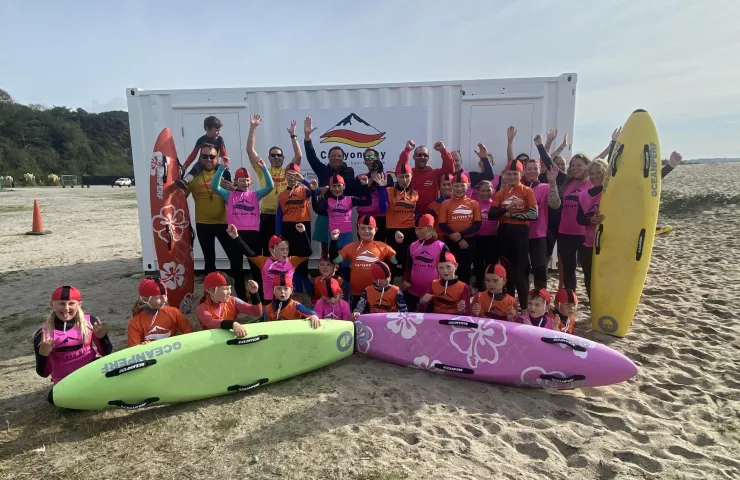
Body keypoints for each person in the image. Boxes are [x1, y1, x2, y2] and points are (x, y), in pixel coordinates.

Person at [211, 157, 274, 299]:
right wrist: (222, 167)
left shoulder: (255, 195)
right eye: (241, 180)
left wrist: (264, 168)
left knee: (256, 267)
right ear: (236, 181)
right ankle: (241, 298)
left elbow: (270, 187)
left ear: (250, 182)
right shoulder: (229, 195)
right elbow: (214, 186)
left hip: (253, 235)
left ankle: (258, 297)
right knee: (236, 268)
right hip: (235, 235)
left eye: (247, 180)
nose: (244, 183)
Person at [34, 286, 113, 391]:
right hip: (65, 381)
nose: (66, 308)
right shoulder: (44, 334)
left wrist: (102, 337)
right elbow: (43, 373)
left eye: (71, 303)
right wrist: (43, 354)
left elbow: (107, 353)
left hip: (92, 373)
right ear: (52, 304)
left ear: (79, 304)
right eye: (61, 303)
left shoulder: (90, 322)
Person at [246, 115, 302, 255]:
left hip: (284, 215)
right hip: (266, 215)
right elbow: (250, 150)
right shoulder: (263, 170)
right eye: (273, 155)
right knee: (266, 247)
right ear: (269, 157)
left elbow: (299, 156)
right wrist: (253, 128)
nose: (276, 157)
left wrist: (293, 135)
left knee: (285, 248)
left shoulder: (288, 170)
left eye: (279, 155)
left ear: (283, 158)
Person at [179, 143, 237, 276]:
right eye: (205, 156)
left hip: (224, 223)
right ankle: (211, 290)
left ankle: (235, 287)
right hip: (203, 224)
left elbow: (237, 199)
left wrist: (233, 190)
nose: (209, 159)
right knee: (209, 259)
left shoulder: (224, 174)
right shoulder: (193, 177)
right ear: (200, 158)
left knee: (234, 255)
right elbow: (181, 196)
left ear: (217, 158)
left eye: (212, 156)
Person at [488, 159, 538, 308]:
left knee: (519, 274)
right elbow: (492, 214)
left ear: (521, 174)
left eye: (514, 174)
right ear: (504, 175)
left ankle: (523, 309)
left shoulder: (527, 191)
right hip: (504, 235)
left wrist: (508, 214)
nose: (511, 177)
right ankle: (508, 307)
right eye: (508, 174)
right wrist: (506, 209)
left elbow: (534, 214)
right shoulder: (501, 193)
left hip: (520, 235)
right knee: (506, 273)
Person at [303, 117, 356, 254]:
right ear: (328, 157)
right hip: (325, 212)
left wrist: (325, 189)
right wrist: (307, 138)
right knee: (325, 246)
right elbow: (312, 157)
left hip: (342, 214)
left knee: (343, 247)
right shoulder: (322, 170)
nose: (336, 158)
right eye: (333, 156)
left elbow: (348, 187)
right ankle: (326, 270)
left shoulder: (349, 172)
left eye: (339, 156)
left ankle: (341, 271)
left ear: (343, 158)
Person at [311, 173, 372, 290]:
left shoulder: (350, 199)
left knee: (345, 264)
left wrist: (365, 186)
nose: (337, 189)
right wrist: (313, 192)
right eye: (334, 186)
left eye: (339, 186)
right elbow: (317, 209)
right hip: (333, 236)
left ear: (344, 186)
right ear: (330, 187)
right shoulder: (328, 201)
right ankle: (334, 288)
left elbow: (368, 202)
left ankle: (347, 288)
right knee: (334, 262)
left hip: (347, 236)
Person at [328, 215, 399, 306]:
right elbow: (335, 259)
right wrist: (334, 240)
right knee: (357, 318)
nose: (366, 231)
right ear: (358, 230)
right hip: (357, 293)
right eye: (363, 228)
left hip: (377, 293)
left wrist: (399, 243)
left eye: (370, 228)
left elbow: (396, 261)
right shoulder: (351, 246)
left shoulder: (382, 246)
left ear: (375, 230)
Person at [226, 227, 311, 303]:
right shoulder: (264, 262)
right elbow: (248, 252)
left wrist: (303, 233)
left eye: (287, 249)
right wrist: (236, 237)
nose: (285, 252)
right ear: (271, 250)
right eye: (282, 249)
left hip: (287, 299)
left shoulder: (292, 261)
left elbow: (308, 252)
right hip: (269, 301)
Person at [524, 135, 562, 290]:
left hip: (539, 235)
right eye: (529, 169)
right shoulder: (519, 188)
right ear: (524, 171)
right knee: (523, 268)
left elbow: (555, 204)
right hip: (521, 234)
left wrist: (552, 183)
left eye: (535, 169)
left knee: (540, 269)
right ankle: (525, 300)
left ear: (540, 171)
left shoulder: (545, 187)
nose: (532, 171)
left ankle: (541, 298)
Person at [276, 163, 313, 297]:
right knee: (290, 257)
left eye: (294, 174)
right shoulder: (281, 195)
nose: (292, 177)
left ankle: (307, 286)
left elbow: (318, 190)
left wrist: (303, 180)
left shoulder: (304, 190)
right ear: (285, 176)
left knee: (304, 255)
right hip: (288, 227)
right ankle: (296, 287)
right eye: (289, 174)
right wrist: (278, 235)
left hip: (303, 225)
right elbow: (279, 216)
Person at [438, 172, 481, 285]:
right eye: (456, 185)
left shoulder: (474, 203)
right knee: (450, 269)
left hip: (468, 242)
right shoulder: (445, 204)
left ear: (468, 185)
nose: (459, 188)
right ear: (452, 186)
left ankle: (464, 294)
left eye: (462, 185)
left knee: (465, 269)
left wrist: (461, 235)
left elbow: (477, 224)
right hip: (451, 241)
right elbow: (442, 224)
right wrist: (459, 238)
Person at [379, 160, 418, 280]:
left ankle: (407, 288)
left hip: (409, 231)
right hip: (393, 230)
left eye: (407, 176)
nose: (405, 180)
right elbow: (382, 208)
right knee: (393, 262)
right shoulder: (389, 191)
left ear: (411, 176)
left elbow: (415, 213)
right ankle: (390, 290)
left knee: (408, 262)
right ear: (396, 177)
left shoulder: (415, 193)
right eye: (401, 177)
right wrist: (381, 188)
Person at [127, 277, 193, 347]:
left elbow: (190, 335)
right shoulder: (135, 323)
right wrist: (141, 346)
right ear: (144, 298)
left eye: (165, 295)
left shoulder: (174, 312)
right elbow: (134, 350)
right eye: (158, 297)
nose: (164, 300)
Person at [396, 139, 455, 217]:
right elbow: (401, 168)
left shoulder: (434, 173)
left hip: (431, 215)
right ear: (413, 157)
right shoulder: (408, 175)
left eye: (425, 155)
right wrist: (407, 150)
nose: (422, 157)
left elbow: (450, 170)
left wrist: (443, 151)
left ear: (428, 158)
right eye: (419, 155)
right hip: (410, 216)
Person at [576, 158, 608, 298]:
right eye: (592, 173)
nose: (595, 176)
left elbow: (643, 190)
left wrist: (671, 166)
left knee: (606, 278)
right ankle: (594, 308)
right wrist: (590, 220)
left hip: (608, 244)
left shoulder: (611, 193)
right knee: (590, 278)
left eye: (599, 173)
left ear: (606, 173)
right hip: (589, 244)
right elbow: (579, 219)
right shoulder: (583, 196)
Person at [401, 214, 446, 312]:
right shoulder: (412, 246)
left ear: (429, 228)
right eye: (415, 229)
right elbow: (408, 267)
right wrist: (405, 281)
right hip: (413, 293)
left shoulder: (441, 247)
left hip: (432, 295)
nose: (416, 232)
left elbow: (447, 271)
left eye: (420, 229)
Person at [196, 272, 261, 337]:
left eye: (230, 288)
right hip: (212, 339)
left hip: (229, 337)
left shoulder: (233, 301)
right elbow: (211, 322)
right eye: (225, 289)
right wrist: (232, 324)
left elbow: (257, 312)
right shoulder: (202, 308)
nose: (230, 292)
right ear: (211, 290)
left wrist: (254, 293)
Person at [177, 116, 230, 189]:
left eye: (220, 130)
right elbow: (193, 154)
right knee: (195, 168)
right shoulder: (201, 140)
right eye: (217, 130)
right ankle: (185, 181)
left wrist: (226, 165)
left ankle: (229, 187)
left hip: (214, 163)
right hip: (202, 163)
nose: (219, 133)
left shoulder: (220, 140)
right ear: (207, 129)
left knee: (225, 172)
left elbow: (224, 153)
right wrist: (185, 166)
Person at [417, 249, 471, 314]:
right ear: (437, 268)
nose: (445, 271)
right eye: (441, 267)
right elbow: (421, 310)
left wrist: (462, 311)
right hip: (435, 320)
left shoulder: (463, 287)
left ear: (456, 266)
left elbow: (467, 313)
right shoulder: (433, 284)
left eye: (448, 267)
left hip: (453, 321)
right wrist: (422, 301)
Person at [357, 148, 388, 241]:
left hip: (381, 217)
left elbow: (388, 199)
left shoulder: (387, 176)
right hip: (363, 216)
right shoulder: (360, 177)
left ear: (378, 159)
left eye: (372, 157)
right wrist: (370, 180)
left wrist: (381, 185)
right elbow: (359, 194)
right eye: (367, 158)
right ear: (364, 162)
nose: (370, 159)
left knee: (379, 247)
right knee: (363, 248)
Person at [473, 179, 498, 292]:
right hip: (477, 238)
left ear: (493, 191)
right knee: (478, 264)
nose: (486, 193)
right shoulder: (473, 204)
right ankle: (480, 288)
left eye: (488, 190)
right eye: (483, 191)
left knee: (491, 264)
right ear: (478, 191)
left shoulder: (495, 204)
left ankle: (491, 288)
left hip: (492, 239)